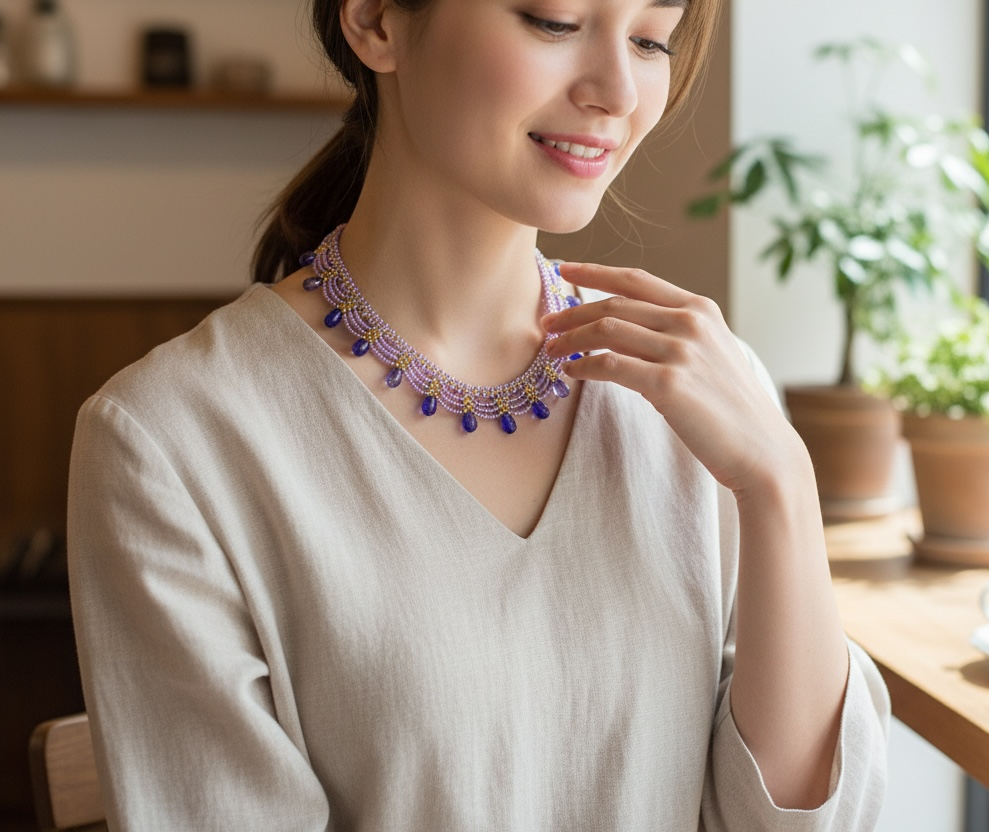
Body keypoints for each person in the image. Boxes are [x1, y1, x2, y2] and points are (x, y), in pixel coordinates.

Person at [66, 0, 890, 829]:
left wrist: (781, 483)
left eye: (649, 40)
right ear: (377, 21)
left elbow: (800, 819)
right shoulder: (168, 443)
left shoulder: (708, 391)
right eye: (554, 21)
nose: (617, 91)